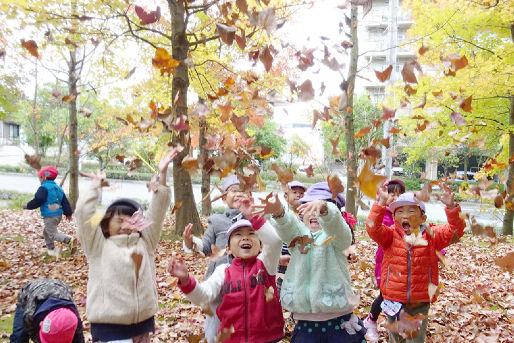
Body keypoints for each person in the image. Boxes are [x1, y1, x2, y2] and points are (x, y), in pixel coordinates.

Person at [75, 150, 176, 343]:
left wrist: (162, 175)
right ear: (106, 223)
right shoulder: (98, 245)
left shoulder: (145, 241)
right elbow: (83, 214)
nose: (126, 225)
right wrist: (95, 187)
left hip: (142, 322)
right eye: (119, 220)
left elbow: (158, 209)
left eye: (132, 220)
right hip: (109, 325)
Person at [169, 194, 284, 343]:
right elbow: (204, 296)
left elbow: (274, 242)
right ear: (228, 249)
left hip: (267, 338)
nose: (245, 237)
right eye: (238, 234)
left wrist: (253, 216)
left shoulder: (265, 264)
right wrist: (186, 281)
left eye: (251, 234)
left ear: (260, 246)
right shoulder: (223, 271)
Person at [268, 181, 367, 343]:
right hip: (306, 321)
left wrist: (325, 210)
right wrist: (279, 212)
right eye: (308, 208)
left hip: (339, 318)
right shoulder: (300, 236)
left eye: (318, 210)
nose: (314, 213)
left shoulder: (338, 238)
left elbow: (338, 228)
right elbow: (289, 227)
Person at [366, 184, 466, 343]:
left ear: (423, 217)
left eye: (411, 211)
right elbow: (373, 228)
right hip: (393, 299)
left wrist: (451, 207)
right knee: (395, 338)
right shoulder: (390, 236)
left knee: (415, 339)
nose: (405, 215)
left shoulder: (431, 236)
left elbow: (455, 231)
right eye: (400, 211)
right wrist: (379, 204)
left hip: (419, 301)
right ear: (394, 216)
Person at [182, 174, 245, 343]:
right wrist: (191, 242)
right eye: (233, 190)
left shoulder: (255, 220)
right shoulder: (217, 221)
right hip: (221, 279)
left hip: (247, 279)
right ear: (224, 198)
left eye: (242, 190)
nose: (238, 194)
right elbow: (205, 246)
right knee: (216, 320)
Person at [363, 179, 406, 341]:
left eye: (398, 194)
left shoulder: (406, 212)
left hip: (404, 261)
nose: (395, 197)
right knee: (385, 293)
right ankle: (371, 320)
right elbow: (375, 227)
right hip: (386, 260)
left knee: (401, 292)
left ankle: (399, 325)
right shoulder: (384, 214)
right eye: (391, 193)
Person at [10, 278, 85, 343]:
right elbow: (33, 333)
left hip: (60, 289)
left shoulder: (74, 320)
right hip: (30, 292)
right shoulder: (30, 316)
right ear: (40, 324)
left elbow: (79, 339)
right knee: (19, 336)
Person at [23, 166, 74, 257]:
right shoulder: (59, 188)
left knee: (52, 234)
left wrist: (27, 206)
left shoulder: (43, 188)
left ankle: (69, 240)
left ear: (44, 177)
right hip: (58, 215)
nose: (39, 179)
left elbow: (38, 200)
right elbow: (65, 202)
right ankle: (51, 249)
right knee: (46, 232)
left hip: (50, 216)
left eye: (40, 177)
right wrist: (68, 213)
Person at [276, 181, 307, 293]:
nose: (298, 195)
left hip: (300, 256)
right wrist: (278, 256)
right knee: (281, 284)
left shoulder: (306, 215)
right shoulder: (281, 215)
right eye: (294, 192)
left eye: (301, 193)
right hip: (283, 256)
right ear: (285, 195)